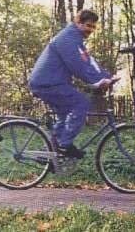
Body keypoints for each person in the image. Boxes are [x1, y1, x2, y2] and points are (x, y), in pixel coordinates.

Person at [28, 9, 118, 159]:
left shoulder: (75, 39)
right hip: (48, 83)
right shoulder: (67, 39)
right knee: (81, 103)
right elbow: (77, 65)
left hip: (51, 82)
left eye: (94, 27)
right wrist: (96, 81)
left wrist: (106, 76)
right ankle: (64, 146)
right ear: (78, 23)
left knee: (65, 116)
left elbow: (88, 61)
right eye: (88, 26)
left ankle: (48, 153)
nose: (91, 30)